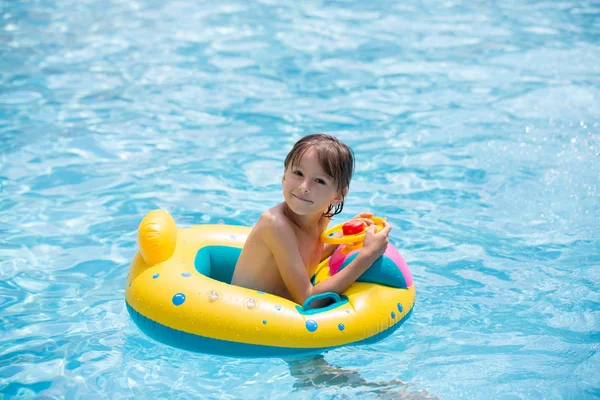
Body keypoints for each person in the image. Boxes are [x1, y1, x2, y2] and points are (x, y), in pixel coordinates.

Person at [231, 133, 391, 305]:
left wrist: (348, 235)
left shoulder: (324, 214)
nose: (304, 187)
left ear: (338, 195)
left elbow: (307, 256)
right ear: (284, 176)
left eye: (320, 181)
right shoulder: (275, 225)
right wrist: (366, 256)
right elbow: (308, 300)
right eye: (298, 173)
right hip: (244, 314)